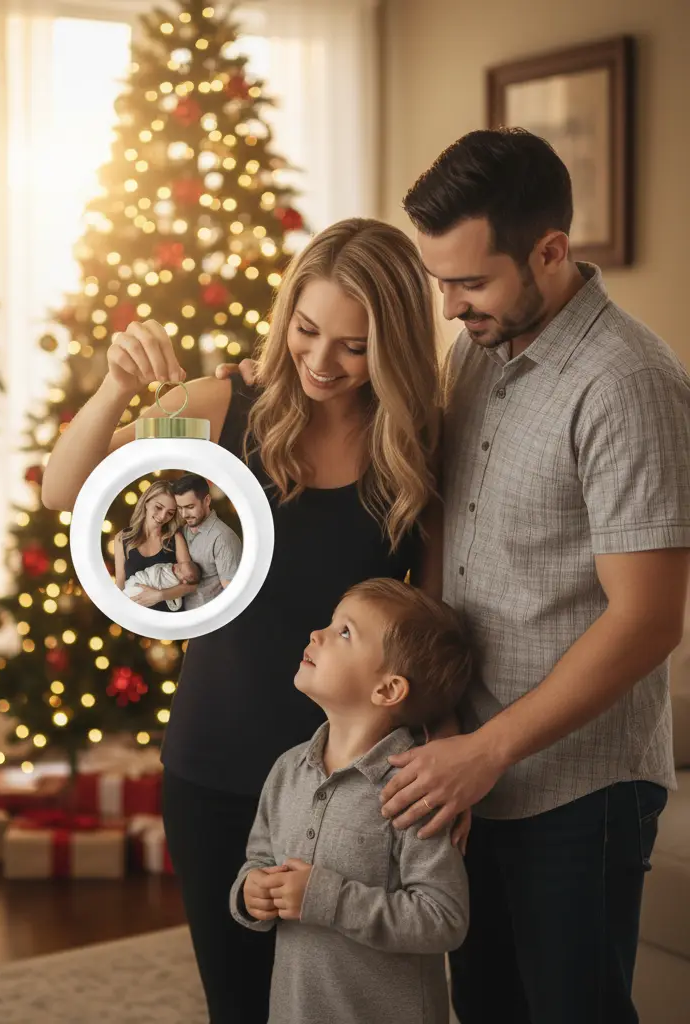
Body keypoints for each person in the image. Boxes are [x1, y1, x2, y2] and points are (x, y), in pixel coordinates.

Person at [41, 218, 451, 1024]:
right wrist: (116, 386)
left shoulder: (415, 442)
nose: (322, 361)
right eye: (307, 330)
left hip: (352, 784)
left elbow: (430, 622)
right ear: (286, 312)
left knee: (343, 1002)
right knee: (239, 1004)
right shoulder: (222, 407)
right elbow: (63, 490)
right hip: (216, 765)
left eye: (354, 346)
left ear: (394, 345)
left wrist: (440, 749)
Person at [367, 128, 690, 1024]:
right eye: (440, 282)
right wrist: (439, 720)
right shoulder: (477, 345)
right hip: (467, 763)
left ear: (550, 251)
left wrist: (488, 750)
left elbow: (648, 620)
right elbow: (448, 524)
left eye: (469, 283)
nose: (449, 308)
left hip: (577, 788)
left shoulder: (628, 383)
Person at [231, 578, 476, 1024]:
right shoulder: (288, 770)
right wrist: (251, 893)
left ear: (388, 690)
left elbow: (444, 919)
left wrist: (328, 899)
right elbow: (259, 859)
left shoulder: (412, 791)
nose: (316, 634)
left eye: (344, 632)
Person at [113, 480, 196, 613]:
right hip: (137, 616)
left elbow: (192, 585)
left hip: (170, 616)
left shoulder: (175, 538)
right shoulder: (122, 538)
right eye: (158, 507)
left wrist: (159, 596)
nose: (162, 516)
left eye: (170, 513)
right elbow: (120, 585)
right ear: (146, 502)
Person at [171, 472, 242, 608]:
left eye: (190, 507)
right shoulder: (181, 532)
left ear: (207, 500)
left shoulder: (223, 537)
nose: (184, 514)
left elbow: (233, 595)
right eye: (180, 508)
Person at [123, 557, 201, 611]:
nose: (177, 566)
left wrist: (160, 595)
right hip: (141, 579)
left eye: (180, 570)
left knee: (130, 598)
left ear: (184, 581)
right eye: (180, 564)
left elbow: (191, 588)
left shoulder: (174, 583)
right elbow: (156, 569)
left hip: (146, 592)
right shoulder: (169, 567)